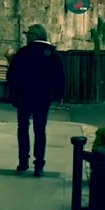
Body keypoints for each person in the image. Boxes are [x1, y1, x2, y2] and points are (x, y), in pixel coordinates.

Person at [7, 24, 66, 177]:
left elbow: (12, 75)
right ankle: (39, 164)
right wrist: (58, 96)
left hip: (24, 96)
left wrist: (14, 90)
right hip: (43, 97)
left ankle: (23, 162)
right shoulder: (53, 55)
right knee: (40, 130)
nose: (26, 37)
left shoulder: (24, 53)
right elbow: (59, 78)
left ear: (34, 36)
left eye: (28, 35)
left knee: (23, 128)